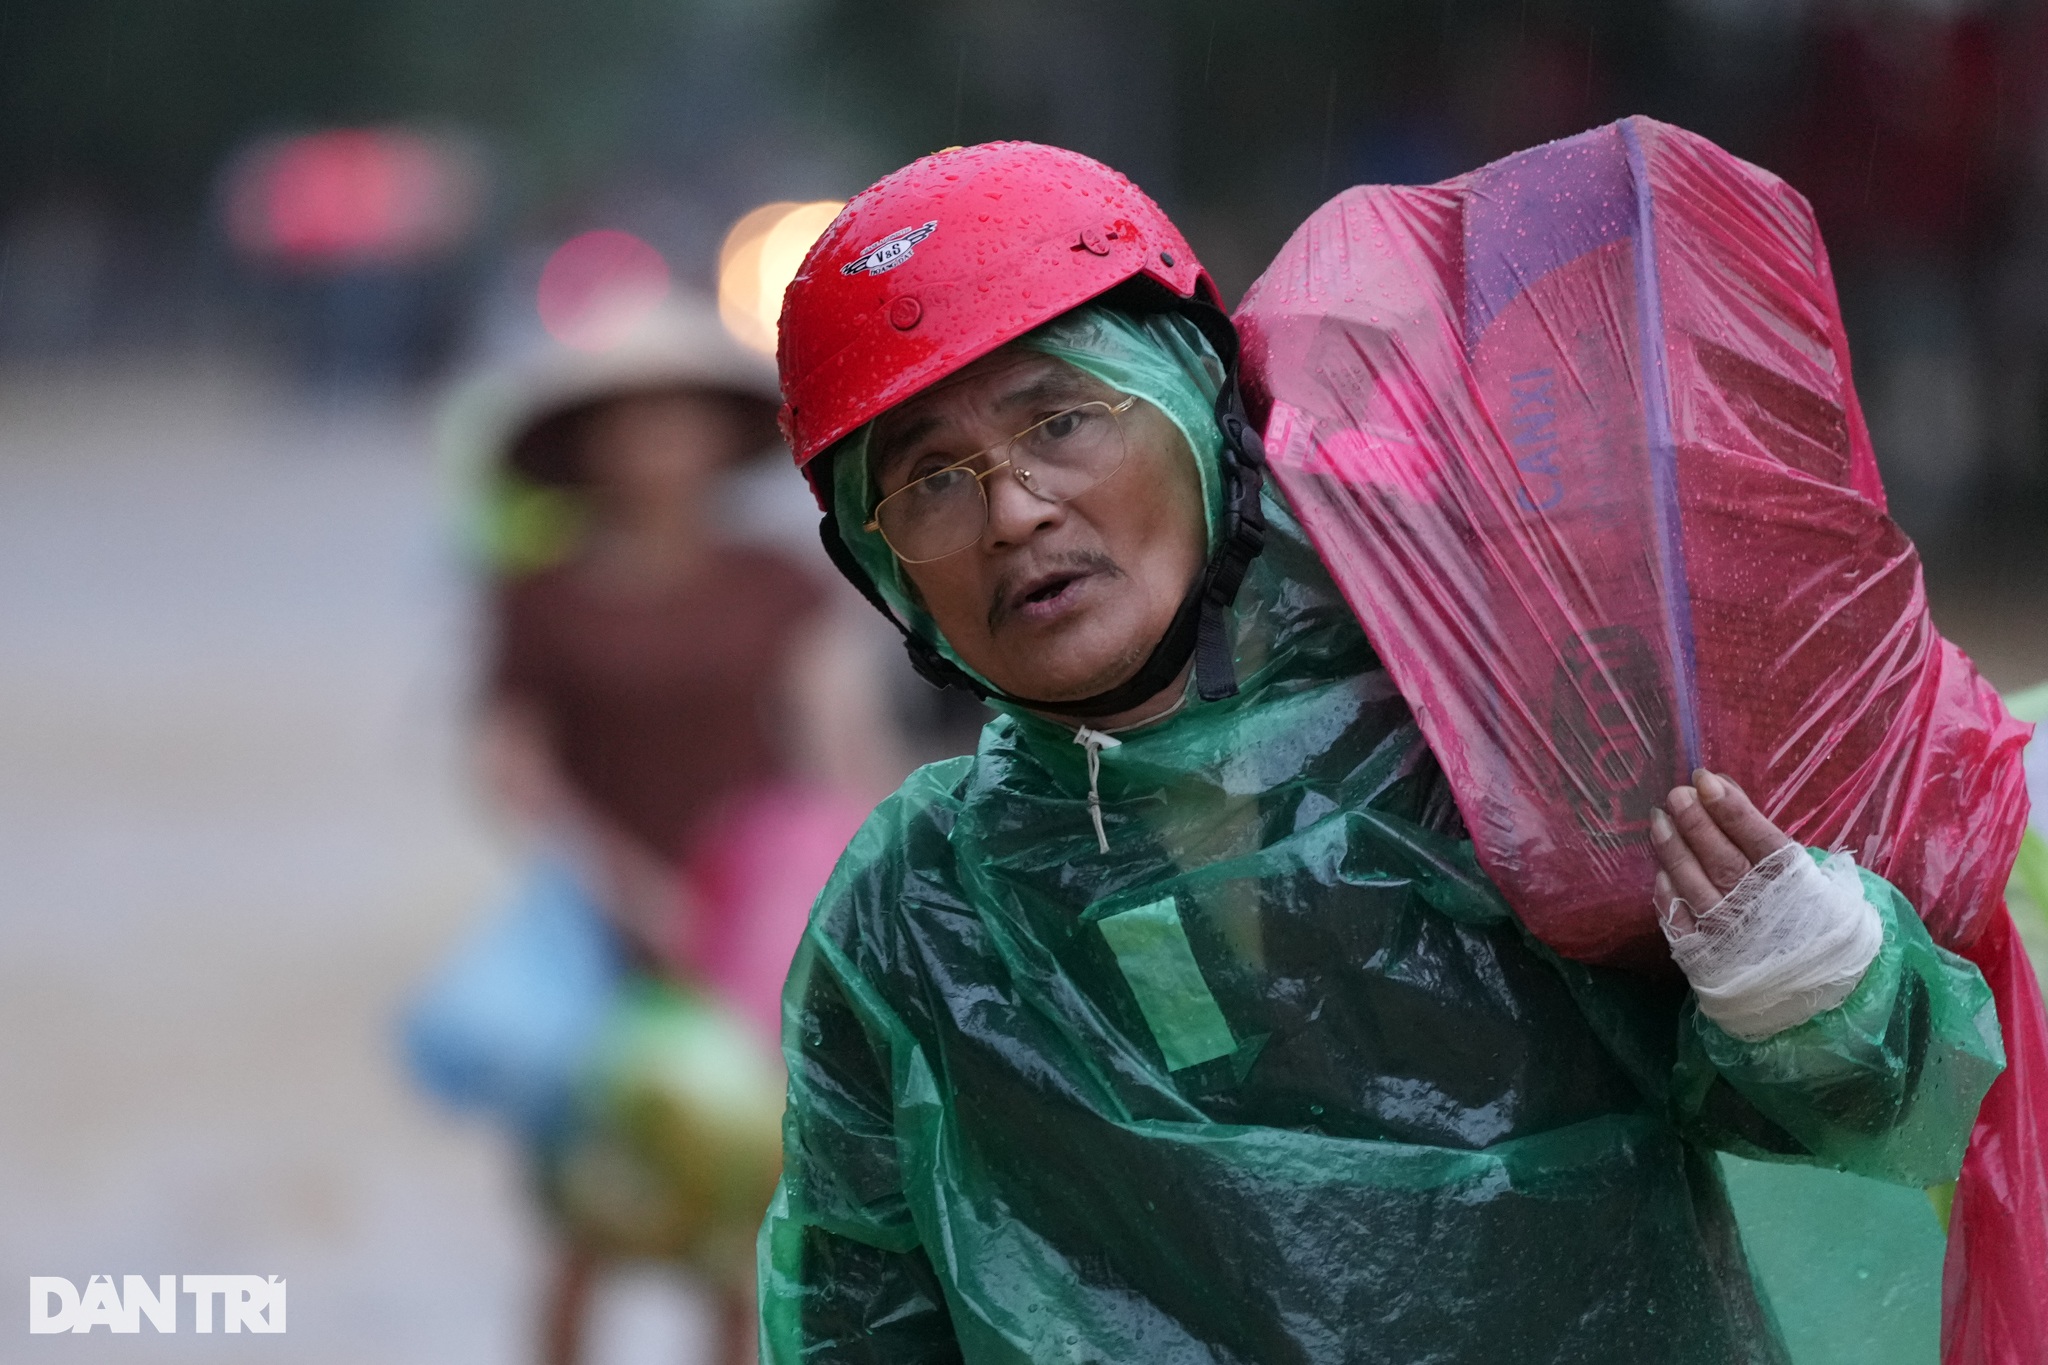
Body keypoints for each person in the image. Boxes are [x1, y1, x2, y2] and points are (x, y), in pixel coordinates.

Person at [754, 143, 2007, 1363]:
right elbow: (853, 1317)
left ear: (1198, 403)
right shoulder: (914, 916)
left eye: (1062, 419)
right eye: (926, 483)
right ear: (880, 572)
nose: (1014, 510)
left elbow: (1869, 1116)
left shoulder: (1493, 730)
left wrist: (1807, 981)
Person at [413, 294, 899, 1365]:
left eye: (676, 418)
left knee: (743, 1214)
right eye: (630, 422)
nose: (655, 444)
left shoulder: (771, 581)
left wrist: (866, 864)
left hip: (753, 936)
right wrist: (623, 888)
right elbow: (514, 769)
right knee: (585, 1220)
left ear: (715, 438)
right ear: (586, 446)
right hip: (598, 932)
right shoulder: (538, 596)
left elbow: (836, 745)